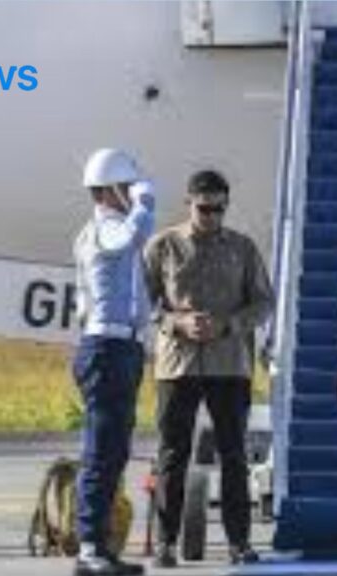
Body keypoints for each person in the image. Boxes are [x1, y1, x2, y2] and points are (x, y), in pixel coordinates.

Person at [143, 169, 274, 568]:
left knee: (234, 455)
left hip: (228, 364)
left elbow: (263, 302)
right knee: (172, 453)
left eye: (219, 209)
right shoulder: (163, 246)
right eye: (204, 209)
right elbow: (144, 301)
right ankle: (166, 542)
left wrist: (228, 325)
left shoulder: (243, 248)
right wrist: (176, 322)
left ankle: (239, 542)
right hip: (177, 364)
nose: (212, 216)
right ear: (189, 204)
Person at [71, 148, 155, 576]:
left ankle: (100, 545)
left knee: (114, 451)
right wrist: (145, 203)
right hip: (108, 347)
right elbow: (130, 237)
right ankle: (89, 548)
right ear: (108, 190)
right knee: (101, 452)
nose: (131, 193)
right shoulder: (107, 228)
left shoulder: (106, 228)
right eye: (125, 187)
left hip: (119, 347)